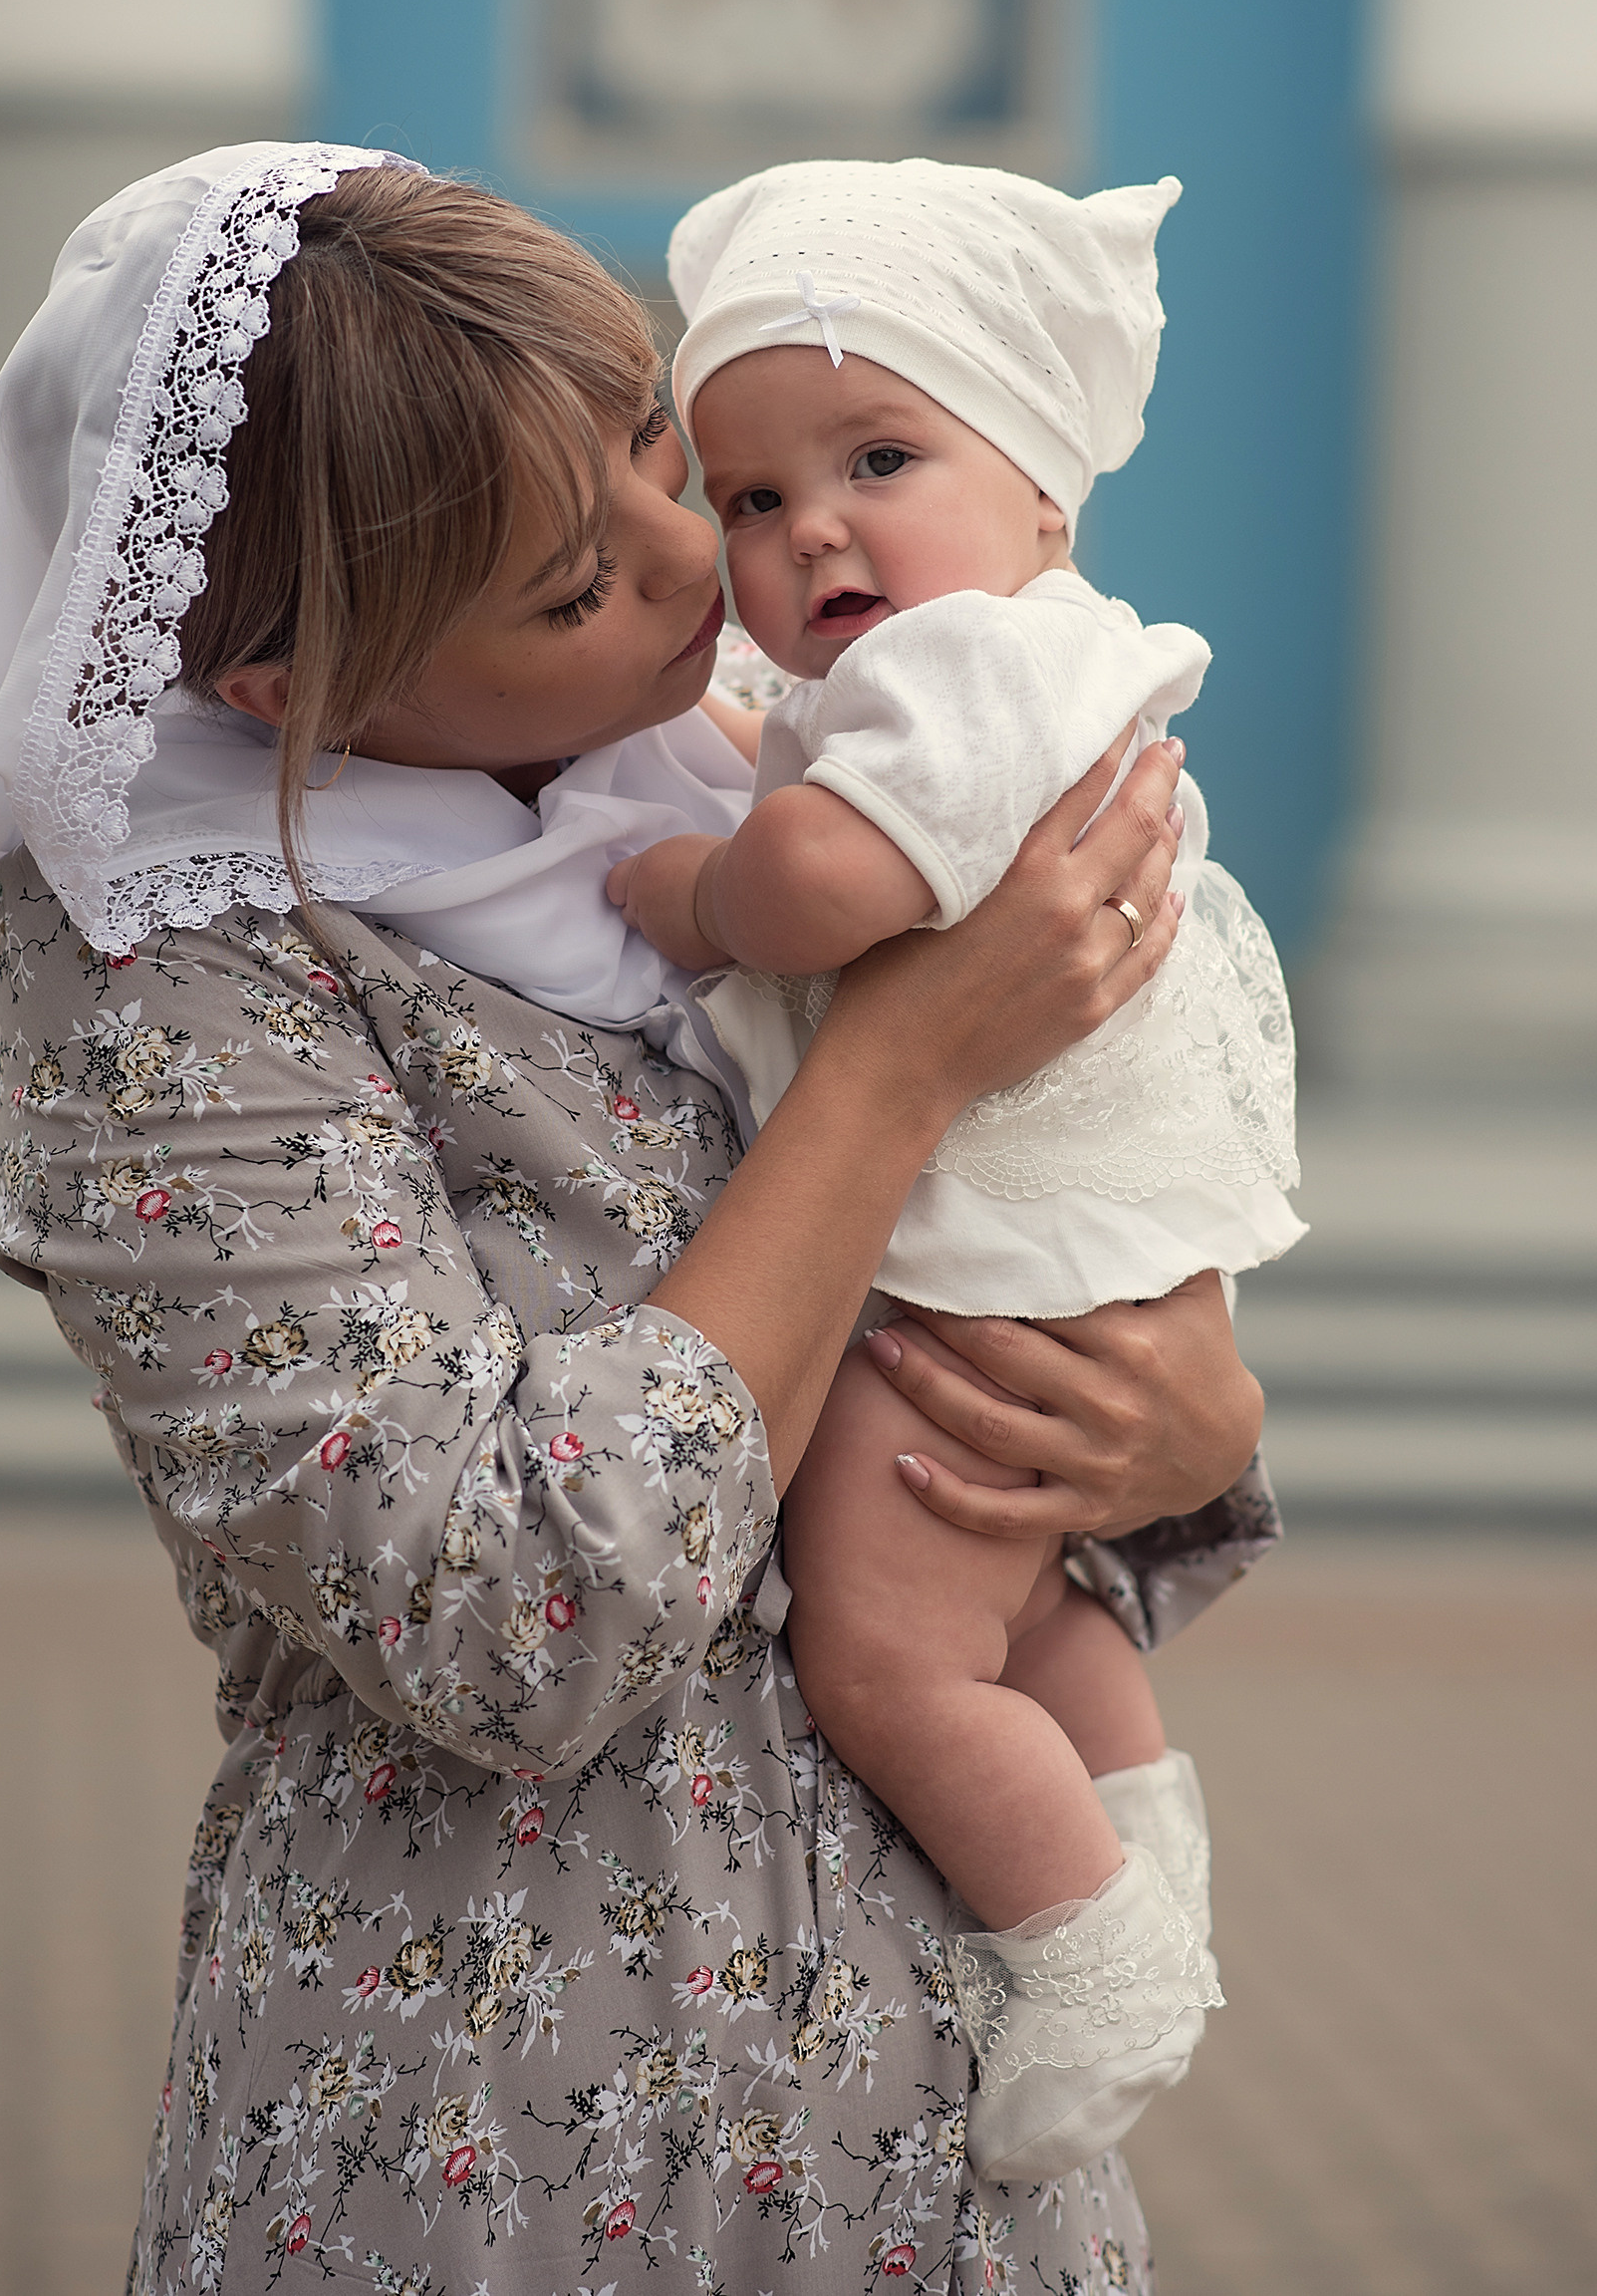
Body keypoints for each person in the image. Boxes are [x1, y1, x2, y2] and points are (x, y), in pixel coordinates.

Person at [0, 143, 1277, 2295]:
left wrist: (1174, 1434)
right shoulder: (173, 959)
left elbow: (1007, 1312)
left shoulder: (750, 764)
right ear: (288, 683)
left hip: (952, 2146)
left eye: (649, 438)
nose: (693, 558)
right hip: (499, 2135)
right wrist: (899, 1070)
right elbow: (508, 1610)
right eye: (560, 583)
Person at [602, 155, 1304, 2177]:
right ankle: (1139, 1832)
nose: (810, 525)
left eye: (878, 454)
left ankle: (1084, 1945)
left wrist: (689, 882)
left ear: (1043, 494)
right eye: (748, 495)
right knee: (1015, 1597)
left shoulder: (974, 660)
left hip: (992, 1242)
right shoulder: (976, 655)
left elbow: (827, 878)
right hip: (1075, 1223)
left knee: (887, 1648)